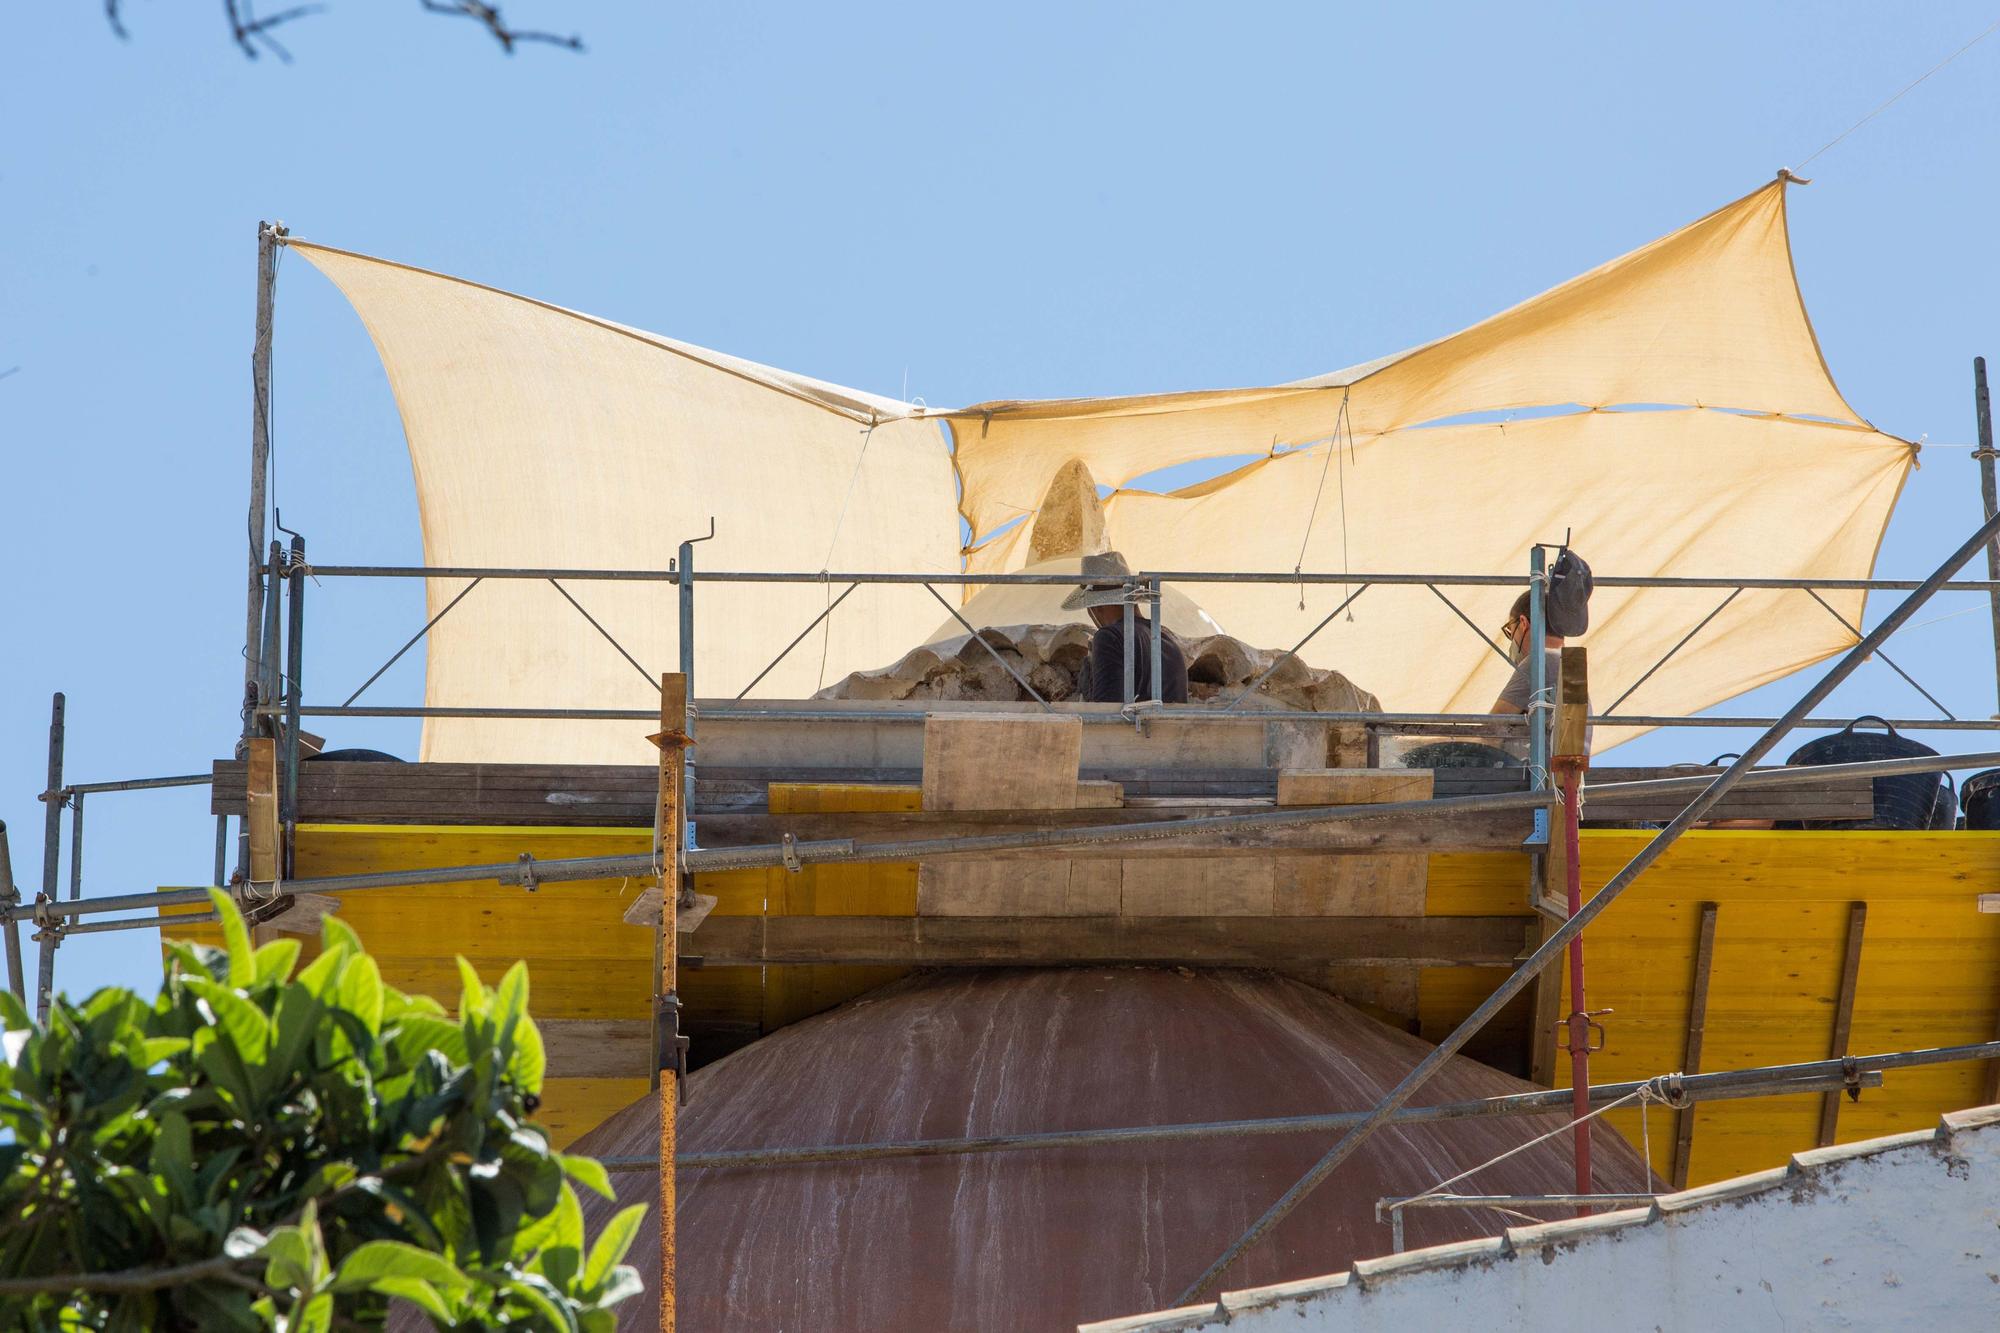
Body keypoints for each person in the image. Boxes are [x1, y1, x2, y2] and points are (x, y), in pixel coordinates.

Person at [1062, 551, 1189, 703]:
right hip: (1169, 727)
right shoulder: (1166, 639)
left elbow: (1107, 711)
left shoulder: (1110, 637)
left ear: (1094, 608)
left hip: (1136, 728)